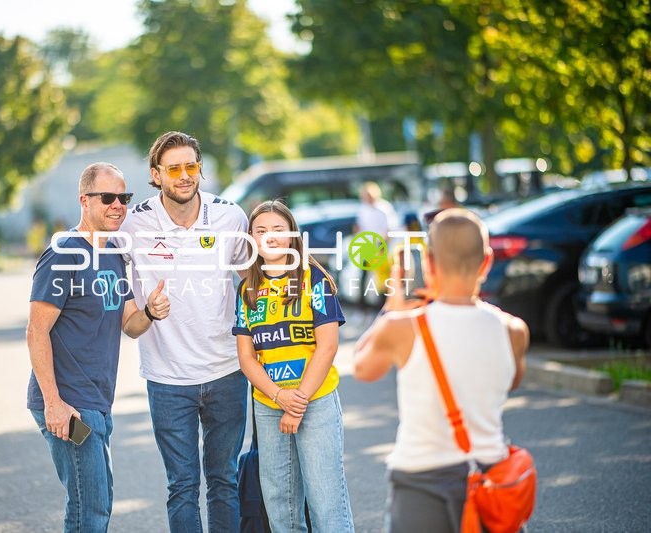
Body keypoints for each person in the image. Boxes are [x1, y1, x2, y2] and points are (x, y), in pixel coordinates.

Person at [353, 208, 529, 532]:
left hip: (420, 485)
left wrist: (393, 305)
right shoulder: (513, 330)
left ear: (429, 264)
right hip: (493, 480)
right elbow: (511, 383)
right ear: (487, 262)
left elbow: (361, 367)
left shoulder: (403, 327)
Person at [26, 162, 169, 533]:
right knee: (90, 508)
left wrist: (151, 312)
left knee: (95, 503)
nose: (117, 205)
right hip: (68, 404)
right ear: (84, 201)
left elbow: (130, 325)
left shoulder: (113, 254)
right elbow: (36, 331)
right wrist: (54, 404)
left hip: (97, 402)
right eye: (107, 197)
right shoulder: (64, 253)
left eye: (124, 197)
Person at [120, 131, 249, 532]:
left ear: (200, 170)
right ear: (156, 175)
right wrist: (149, 311)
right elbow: (129, 326)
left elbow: (255, 282)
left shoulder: (230, 216)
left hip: (228, 371)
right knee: (182, 486)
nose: (184, 175)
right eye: (173, 168)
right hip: (167, 379)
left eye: (190, 166)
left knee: (224, 481)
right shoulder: (133, 223)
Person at [233, 199, 355, 532]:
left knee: (326, 500)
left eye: (277, 229)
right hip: (269, 404)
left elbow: (327, 346)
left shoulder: (313, 279)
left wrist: (297, 401)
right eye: (260, 231)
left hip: (315, 400)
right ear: (251, 240)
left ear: (291, 235)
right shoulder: (248, 289)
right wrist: (278, 396)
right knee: (280, 505)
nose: (269, 237)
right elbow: (246, 357)